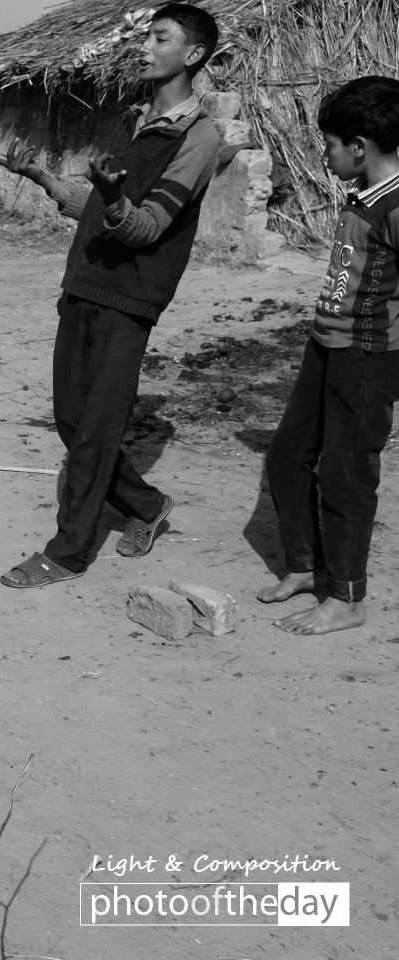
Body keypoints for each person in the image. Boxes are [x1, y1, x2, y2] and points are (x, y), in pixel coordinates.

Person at [0, 3, 221, 588]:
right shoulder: (132, 119)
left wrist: (113, 200)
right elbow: (96, 203)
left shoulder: (198, 137)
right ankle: (145, 507)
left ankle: (67, 553)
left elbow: (145, 226)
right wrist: (41, 179)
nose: (144, 47)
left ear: (192, 55)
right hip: (83, 286)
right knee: (71, 421)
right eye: (146, 37)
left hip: (129, 299)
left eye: (159, 38)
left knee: (96, 429)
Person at [258, 76, 399, 635]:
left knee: (345, 473)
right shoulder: (364, 194)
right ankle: (306, 566)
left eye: (330, 144)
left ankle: (346, 597)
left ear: (359, 147)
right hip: (327, 345)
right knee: (287, 456)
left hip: (367, 357)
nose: (325, 153)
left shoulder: (395, 206)